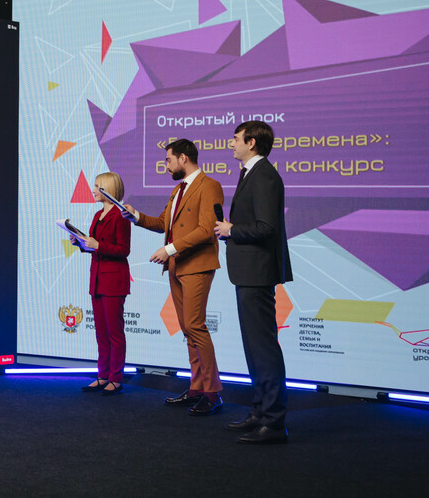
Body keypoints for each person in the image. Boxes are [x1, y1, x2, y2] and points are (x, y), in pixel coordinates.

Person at [124, 138, 224, 415]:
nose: (165, 165)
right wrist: (136, 216)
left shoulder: (209, 185)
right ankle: (197, 388)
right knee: (188, 328)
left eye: (168, 160)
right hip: (177, 266)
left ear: (183, 158)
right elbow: (163, 223)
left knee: (195, 326)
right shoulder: (178, 190)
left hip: (196, 265)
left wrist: (169, 249)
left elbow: (206, 230)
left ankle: (213, 393)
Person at [214, 121, 293, 444]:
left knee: (263, 347)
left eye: (235, 139)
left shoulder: (264, 176)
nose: (231, 143)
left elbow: (266, 227)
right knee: (254, 347)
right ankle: (260, 412)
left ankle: (273, 421)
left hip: (257, 272)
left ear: (252, 143)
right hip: (249, 271)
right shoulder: (251, 173)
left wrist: (231, 230)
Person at [72, 173, 131, 395]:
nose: (93, 190)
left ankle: (116, 378)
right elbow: (94, 246)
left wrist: (98, 245)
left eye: (97, 186)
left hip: (113, 280)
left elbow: (124, 250)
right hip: (97, 279)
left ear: (108, 189)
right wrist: (81, 243)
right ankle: (103, 375)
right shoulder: (98, 214)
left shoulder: (121, 215)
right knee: (101, 333)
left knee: (114, 333)